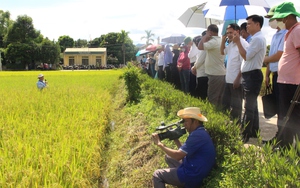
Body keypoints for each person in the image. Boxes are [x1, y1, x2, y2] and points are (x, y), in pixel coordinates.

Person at [152, 107, 216, 188]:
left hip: (192, 175)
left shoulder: (197, 135)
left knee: (157, 175)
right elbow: (184, 152)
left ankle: (183, 181)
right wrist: (176, 139)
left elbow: (178, 156)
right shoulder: (200, 132)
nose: (184, 124)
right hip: (195, 168)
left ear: (195, 121)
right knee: (168, 157)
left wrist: (159, 144)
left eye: (186, 121)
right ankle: (181, 182)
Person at [232, 15, 266, 142]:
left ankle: (244, 135)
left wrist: (238, 42)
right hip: (250, 75)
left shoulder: (257, 39)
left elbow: (246, 56)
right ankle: (253, 131)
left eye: (250, 24)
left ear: (258, 25)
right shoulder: (256, 38)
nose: (247, 26)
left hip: (252, 75)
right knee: (252, 106)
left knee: (249, 107)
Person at [271, 2, 300, 148]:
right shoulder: (291, 32)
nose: (282, 22)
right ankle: (285, 147)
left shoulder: (297, 30)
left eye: (283, 18)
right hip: (285, 81)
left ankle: (293, 149)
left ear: (289, 17)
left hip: (293, 83)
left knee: (293, 118)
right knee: (285, 117)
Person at [221, 23, 249, 124]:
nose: (228, 34)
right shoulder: (232, 43)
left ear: (237, 32)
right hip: (228, 79)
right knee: (226, 104)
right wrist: (222, 40)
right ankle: (229, 124)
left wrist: (238, 79)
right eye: (227, 33)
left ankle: (237, 125)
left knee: (236, 106)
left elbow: (244, 63)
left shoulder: (243, 44)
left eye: (231, 32)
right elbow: (222, 52)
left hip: (236, 81)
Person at [263, 6, 288, 120]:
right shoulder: (275, 35)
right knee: (278, 104)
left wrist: (264, 59)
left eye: (271, 18)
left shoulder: (286, 33)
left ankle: (283, 135)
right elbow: (272, 56)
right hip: (275, 74)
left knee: (283, 106)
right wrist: (267, 74)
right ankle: (279, 133)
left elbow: (278, 55)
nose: (270, 21)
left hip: (284, 75)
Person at [198, 24, 226, 107]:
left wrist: (204, 37)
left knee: (212, 99)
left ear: (210, 31)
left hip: (215, 74)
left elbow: (200, 47)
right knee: (218, 99)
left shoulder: (213, 41)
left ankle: (213, 118)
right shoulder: (219, 40)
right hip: (219, 73)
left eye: (207, 31)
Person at [191, 31, 208, 100]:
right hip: (200, 73)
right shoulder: (202, 49)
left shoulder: (204, 49)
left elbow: (199, 61)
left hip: (203, 73)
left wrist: (194, 68)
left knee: (202, 93)